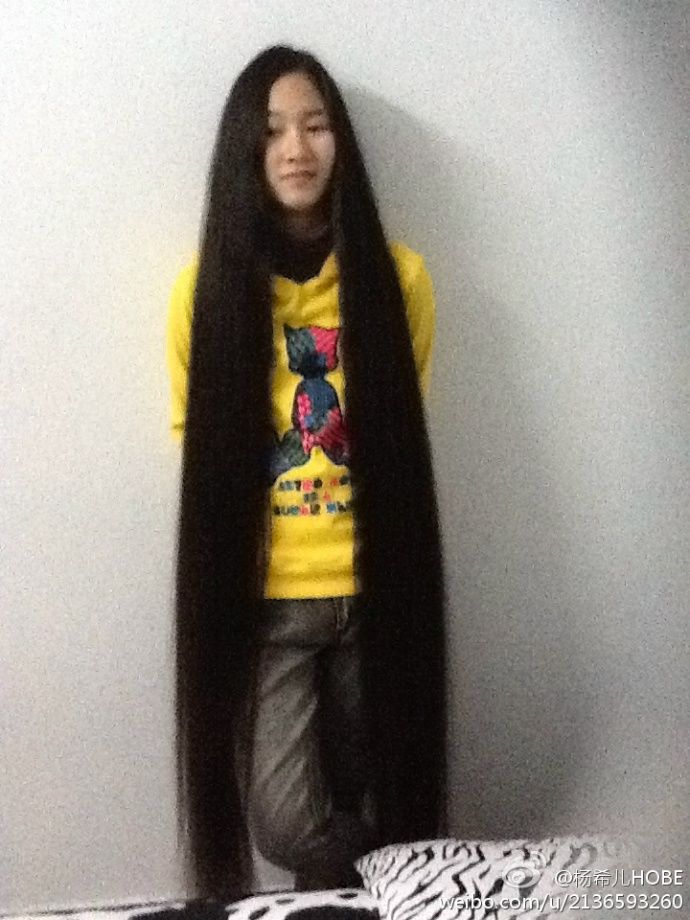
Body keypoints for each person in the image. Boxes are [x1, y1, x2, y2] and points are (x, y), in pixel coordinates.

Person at [166, 45, 446, 901]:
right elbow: (197, 448)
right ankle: (385, 877)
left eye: (316, 126)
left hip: (374, 588)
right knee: (287, 822)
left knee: (369, 782)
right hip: (270, 601)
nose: (296, 148)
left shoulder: (399, 281)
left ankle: (354, 896)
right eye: (273, 130)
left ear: (340, 143)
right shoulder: (202, 295)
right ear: (245, 149)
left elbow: (399, 438)